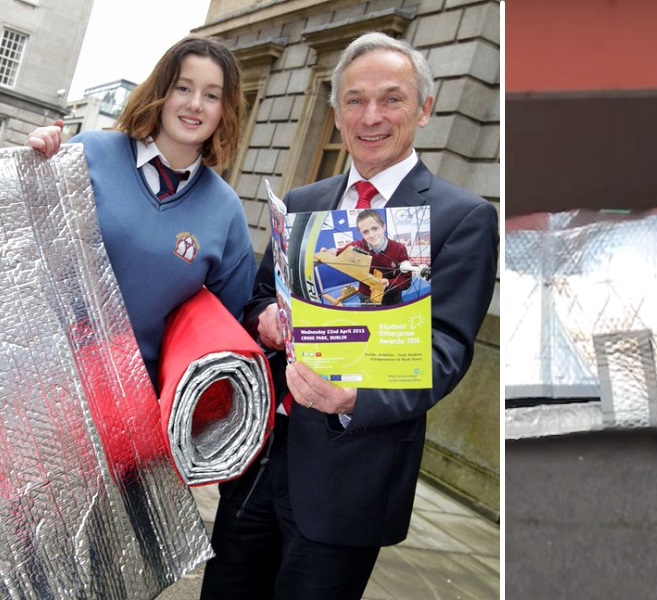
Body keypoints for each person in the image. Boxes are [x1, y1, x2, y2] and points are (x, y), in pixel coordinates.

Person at [199, 32, 499, 599]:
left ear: (424, 109)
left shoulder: (462, 217)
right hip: (262, 460)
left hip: (352, 473)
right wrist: (265, 321)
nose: (372, 116)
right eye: (355, 100)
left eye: (392, 99)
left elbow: (447, 351)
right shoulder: (305, 201)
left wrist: (355, 401)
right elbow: (260, 299)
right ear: (336, 114)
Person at [27, 34, 256, 392]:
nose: (195, 104)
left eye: (212, 95)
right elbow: (21, 243)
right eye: (183, 88)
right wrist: (31, 167)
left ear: (225, 110)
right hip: (38, 383)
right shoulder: (87, 154)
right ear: (161, 92)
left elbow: (228, 334)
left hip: (134, 409)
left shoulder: (226, 211)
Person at [314, 208, 413, 305]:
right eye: (365, 232)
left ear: (383, 227)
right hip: (367, 295)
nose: (371, 235)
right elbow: (338, 253)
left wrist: (388, 283)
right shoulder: (356, 247)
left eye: (375, 228)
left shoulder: (399, 249)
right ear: (361, 233)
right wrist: (326, 253)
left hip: (392, 297)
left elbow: (406, 280)